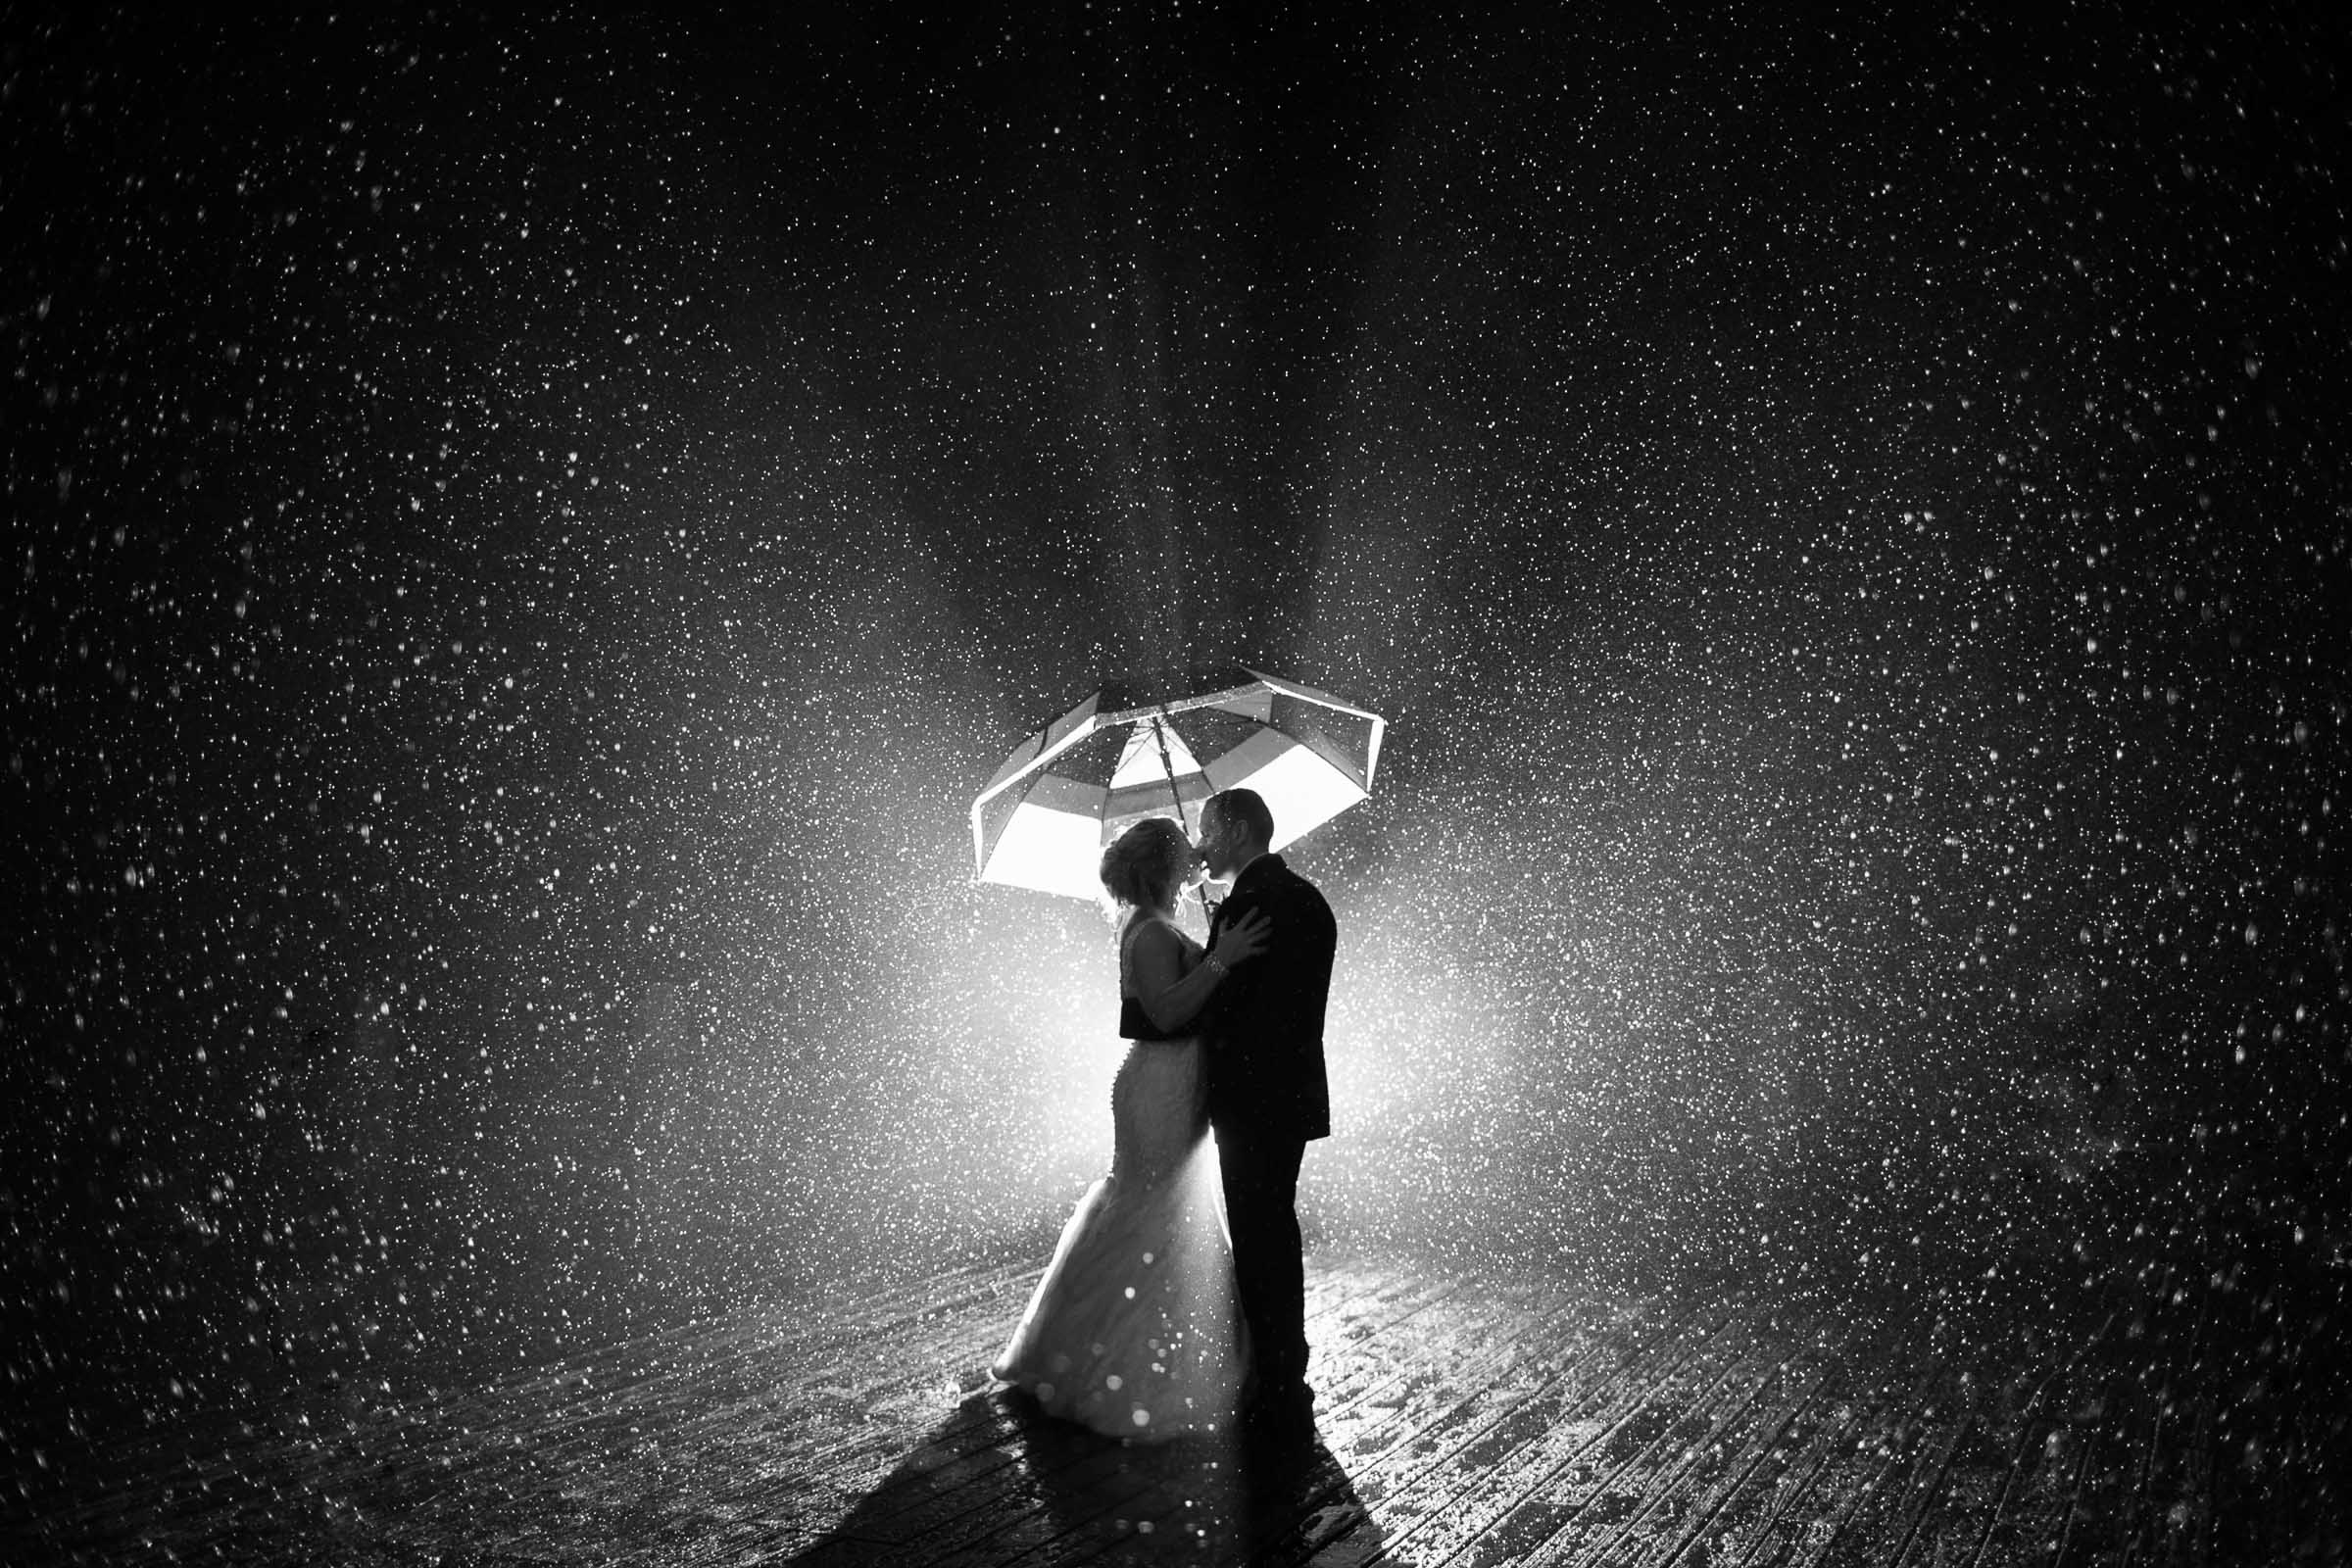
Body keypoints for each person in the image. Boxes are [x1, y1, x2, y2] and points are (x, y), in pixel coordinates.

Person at [991, 817, 1271, 1440]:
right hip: (1158, 1086)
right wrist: (1220, 959)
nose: (1197, 857)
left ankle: (1129, 1350)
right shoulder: (1146, 931)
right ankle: (1124, 1366)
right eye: (1184, 853)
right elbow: (1167, 1010)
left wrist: (1214, 944)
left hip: (1178, 1082)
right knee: (1155, 1205)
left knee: (1170, 1205)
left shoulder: (1160, 924)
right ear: (1161, 867)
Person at [1196, 787, 1337, 1449]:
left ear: (1238, 829)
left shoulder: (1250, 904)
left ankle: (1280, 1391)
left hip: (1248, 1100)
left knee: (1261, 1244)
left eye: (1208, 829)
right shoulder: (1307, 897)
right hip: (1291, 1095)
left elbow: (1222, 1014)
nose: (1200, 843)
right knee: (1274, 1231)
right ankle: (1287, 1380)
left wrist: (1208, 957)